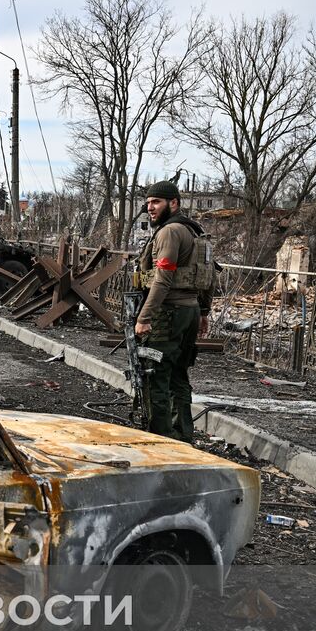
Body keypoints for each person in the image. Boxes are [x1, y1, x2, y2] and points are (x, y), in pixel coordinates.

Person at [133, 180, 214, 442]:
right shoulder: (195, 231)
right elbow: (209, 276)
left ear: (174, 203)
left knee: (156, 375)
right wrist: (203, 312)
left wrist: (144, 317)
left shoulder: (170, 232)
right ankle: (182, 436)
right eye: (147, 203)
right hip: (189, 312)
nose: (150, 208)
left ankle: (161, 440)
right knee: (179, 375)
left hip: (168, 314)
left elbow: (163, 278)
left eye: (156, 202)